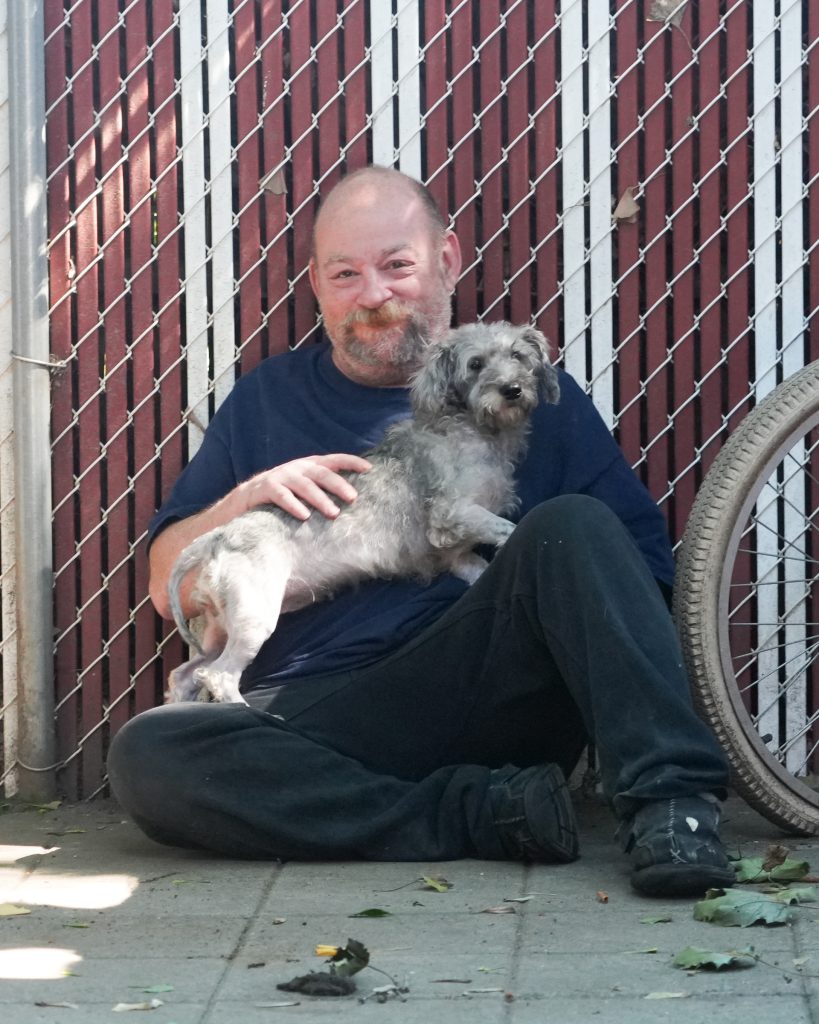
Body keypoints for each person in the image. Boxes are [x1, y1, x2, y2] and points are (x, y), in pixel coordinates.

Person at [108, 165, 734, 898]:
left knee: (574, 525)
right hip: (321, 711)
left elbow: (638, 575)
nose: (373, 294)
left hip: (490, 682)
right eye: (346, 274)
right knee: (151, 755)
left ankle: (673, 807)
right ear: (316, 285)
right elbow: (166, 585)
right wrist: (244, 498)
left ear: (448, 258)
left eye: (396, 265)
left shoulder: (534, 398)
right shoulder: (267, 399)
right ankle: (486, 814)